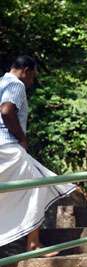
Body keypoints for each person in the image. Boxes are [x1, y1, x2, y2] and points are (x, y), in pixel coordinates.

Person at [0, 56, 76, 253]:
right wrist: (22, 138)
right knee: (37, 185)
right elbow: (7, 111)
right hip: (8, 146)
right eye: (32, 76)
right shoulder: (15, 84)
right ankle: (33, 243)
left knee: (14, 191)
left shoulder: (1, 82)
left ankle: (30, 240)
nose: (32, 82)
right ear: (25, 70)